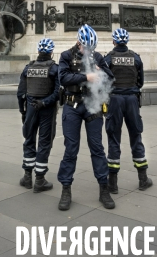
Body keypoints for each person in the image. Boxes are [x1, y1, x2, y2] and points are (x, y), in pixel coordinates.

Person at [57, 24, 115, 211]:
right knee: (70, 149)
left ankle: (103, 189)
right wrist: (86, 77)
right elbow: (63, 78)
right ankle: (66, 189)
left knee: (97, 148)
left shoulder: (97, 57)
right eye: (86, 47)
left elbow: (111, 77)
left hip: (93, 107)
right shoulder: (66, 56)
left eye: (92, 48)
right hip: (72, 106)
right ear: (78, 42)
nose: (89, 51)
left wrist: (100, 72)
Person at [104, 28, 153, 194]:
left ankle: (113, 184)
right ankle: (143, 179)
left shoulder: (108, 58)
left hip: (114, 100)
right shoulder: (136, 58)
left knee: (113, 138)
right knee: (136, 136)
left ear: (113, 41)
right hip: (132, 99)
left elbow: (104, 81)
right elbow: (140, 82)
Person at [17, 38, 59, 193]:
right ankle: (40, 180)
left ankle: (27, 177)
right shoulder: (55, 68)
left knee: (29, 139)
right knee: (44, 142)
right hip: (47, 109)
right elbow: (57, 92)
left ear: (38, 51)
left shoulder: (28, 68)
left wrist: (23, 111)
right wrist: (45, 102)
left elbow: (20, 93)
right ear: (51, 52)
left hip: (30, 109)